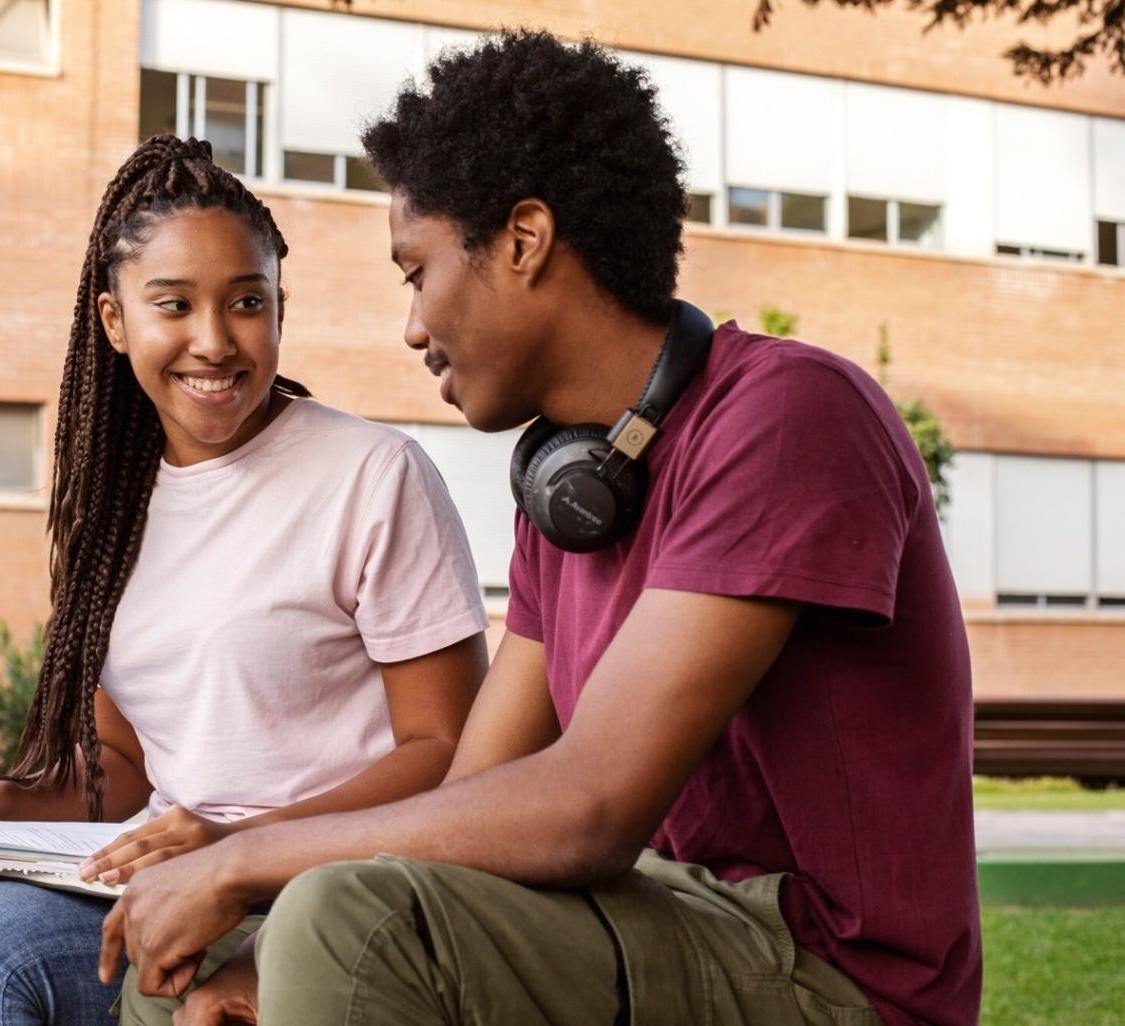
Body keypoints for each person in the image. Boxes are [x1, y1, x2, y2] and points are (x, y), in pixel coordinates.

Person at [103, 32, 981, 1026]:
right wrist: (245, 942)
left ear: (522, 240)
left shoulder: (789, 417)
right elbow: (473, 792)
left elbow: (590, 809)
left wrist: (245, 854)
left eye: (416, 270)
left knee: (344, 920)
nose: (412, 324)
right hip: (670, 919)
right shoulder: (569, 490)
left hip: (832, 975)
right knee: (189, 964)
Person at [0, 135, 490, 1026]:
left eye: (246, 303)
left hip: (315, 888)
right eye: (173, 305)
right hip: (159, 866)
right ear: (115, 323)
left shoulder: (372, 474)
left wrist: (237, 845)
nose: (214, 341)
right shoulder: (110, 508)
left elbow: (446, 750)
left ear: (279, 307)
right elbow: (122, 762)